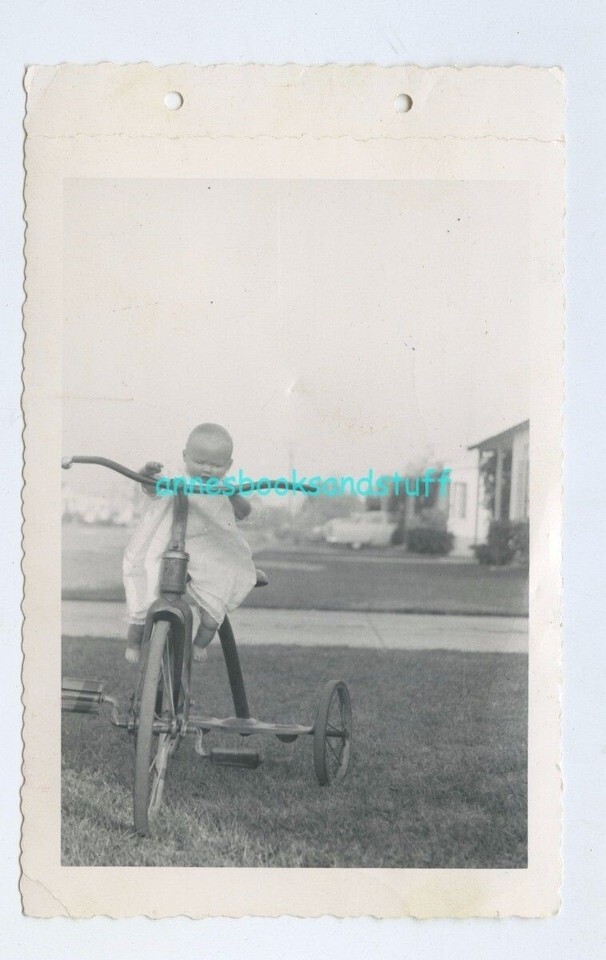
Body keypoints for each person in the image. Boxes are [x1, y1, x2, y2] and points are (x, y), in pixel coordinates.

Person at [122, 423, 256, 663]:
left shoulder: (224, 488)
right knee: (145, 596)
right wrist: (146, 473)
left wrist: (233, 494)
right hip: (170, 545)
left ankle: (199, 644)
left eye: (216, 465)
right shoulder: (176, 480)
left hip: (209, 551)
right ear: (185, 456)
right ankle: (134, 643)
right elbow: (151, 487)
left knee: (213, 609)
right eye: (199, 462)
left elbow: (244, 512)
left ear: (228, 466)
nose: (207, 469)